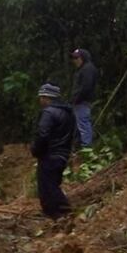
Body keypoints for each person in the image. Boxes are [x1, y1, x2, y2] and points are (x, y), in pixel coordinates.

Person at [30, 83, 75, 218]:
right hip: (63, 154)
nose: (40, 100)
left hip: (50, 155)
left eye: (41, 97)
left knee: (47, 186)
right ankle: (51, 213)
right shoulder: (68, 112)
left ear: (46, 97)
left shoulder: (48, 113)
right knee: (52, 183)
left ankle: (64, 211)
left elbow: (43, 135)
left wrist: (36, 150)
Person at [70, 48, 99, 147]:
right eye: (73, 58)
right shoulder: (83, 69)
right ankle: (79, 147)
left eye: (77, 58)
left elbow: (86, 87)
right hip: (79, 102)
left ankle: (87, 148)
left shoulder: (88, 69)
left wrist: (77, 99)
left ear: (83, 58)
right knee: (78, 125)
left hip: (82, 102)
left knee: (83, 125)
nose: (75, 60)